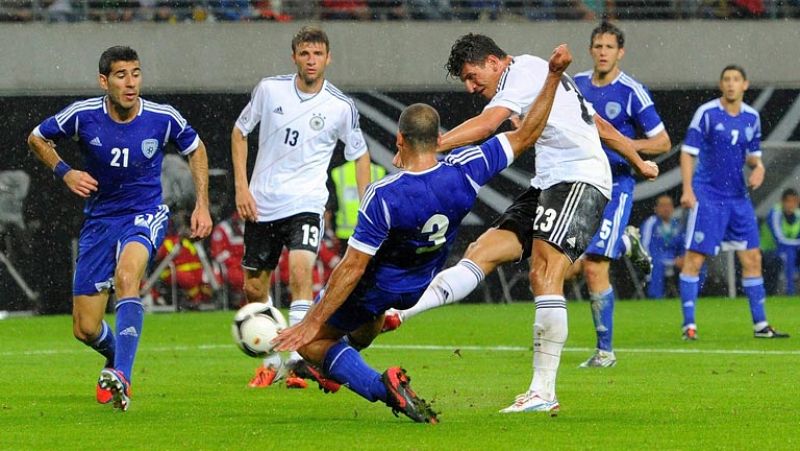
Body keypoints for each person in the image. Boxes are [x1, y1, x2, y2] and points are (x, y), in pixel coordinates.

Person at [274, 43, 576, 423]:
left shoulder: (384, 195)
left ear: (399, 141)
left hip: (378, 284)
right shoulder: (465, 170)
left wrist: (310, 323)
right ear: (438, 137)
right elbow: (526, 134)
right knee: (363, 331)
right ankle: (342, 363)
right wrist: (552, 76)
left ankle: (380, 386)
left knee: (316, 344)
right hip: (416, 285)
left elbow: (351, 268)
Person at [382, 33, 657, 411]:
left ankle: (543, 393)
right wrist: (638, 161)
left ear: (494, 62)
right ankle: (399, 313)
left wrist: (430, 148)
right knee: (483, 250)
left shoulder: (523, 73)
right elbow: (598, 125)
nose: (470, 86)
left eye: (472, 75)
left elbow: (486, 125)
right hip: (547, 182)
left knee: (544, 272)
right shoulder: (535, 74)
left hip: (579, 178)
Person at [26, 46, 212, 411]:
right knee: (85, 327)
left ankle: (123, 376)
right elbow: (36, 137)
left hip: (143, 213)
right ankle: (117, 357)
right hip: (99, 221)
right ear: (104, 81)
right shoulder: (84, 116)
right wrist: (66, 172)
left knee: (128, 279)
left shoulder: (162, 118)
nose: (131, 83)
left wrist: (201, 203)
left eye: (136, 74)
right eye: (121, 75)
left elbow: (197, 148)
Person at [231, 26, 373, 389]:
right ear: (294, 56)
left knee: (300, 275)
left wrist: (366, 203)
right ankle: (276, 360)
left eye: (318, 54)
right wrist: (242, 187)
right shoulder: (269, 89)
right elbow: (239, 132)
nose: (311, 61)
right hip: (262, 203)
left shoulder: (341, 106)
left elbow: (359, 154)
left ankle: (295, 359)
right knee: (253, 289)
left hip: (307, 202)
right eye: (305, 54)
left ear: (329, 58)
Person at [569, 21, 672, 367]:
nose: (602, 52)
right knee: (571, 267)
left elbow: (662, 142)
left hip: (616, 185)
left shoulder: (631, 91)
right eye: (598, 46)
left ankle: (604, 352)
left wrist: (623, 145)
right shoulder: (576, 86)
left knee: (596, 264)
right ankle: (628, 242)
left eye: (609, 47)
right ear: (590, 50)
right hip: (579, 185)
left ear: (620, 52)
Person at [679, 64, 788, 340]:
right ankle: (689, 325)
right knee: (695, 258)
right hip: (709, 196)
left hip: (738, 198)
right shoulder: (706, 113)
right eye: (726, 79)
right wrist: (688, 190)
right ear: (721, 85)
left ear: (745, 85)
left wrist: (759, 167)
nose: (730, 84)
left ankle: (760, 325)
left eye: (736, 79)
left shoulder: (751, 117)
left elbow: (752, 155)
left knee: (752, 257)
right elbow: (688, 152)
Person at [640, 195, 684, 299]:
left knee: (694, 263)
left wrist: (683, 257)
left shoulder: (677, 225)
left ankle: (692, 296)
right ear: (656, 209)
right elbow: (644, 245)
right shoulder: (651, 223)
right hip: (653, 258)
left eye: (669, 205)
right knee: (657, 264)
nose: (666, 208)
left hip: (672, 258)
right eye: (663, 205)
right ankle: (656, 298)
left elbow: (683, 244)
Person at [763, 188, 800, 295]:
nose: (791, 204)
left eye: (794, 201)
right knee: (789, 254)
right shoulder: (775, 213)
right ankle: (790, 291)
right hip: (769, 250)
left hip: (789, 248)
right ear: (782, 202)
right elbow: (780, 240)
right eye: (788, 201)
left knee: (790, 252)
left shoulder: (798, 214)